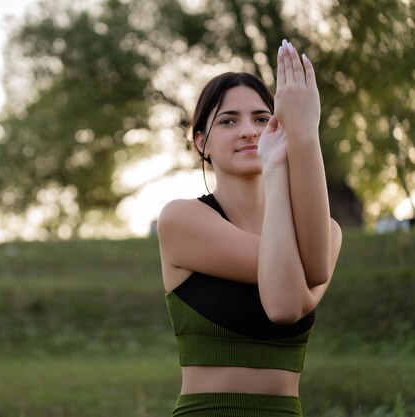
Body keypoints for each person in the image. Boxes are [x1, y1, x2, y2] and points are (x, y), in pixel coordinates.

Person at [157, 39, 342, 416]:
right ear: (201, 142)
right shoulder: (181, 220)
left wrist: (306, 135)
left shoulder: (328, 232)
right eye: (228, 121)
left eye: (262, 118)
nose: (249, 131)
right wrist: (276, 171)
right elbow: (285, 304)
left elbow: (309, 277)